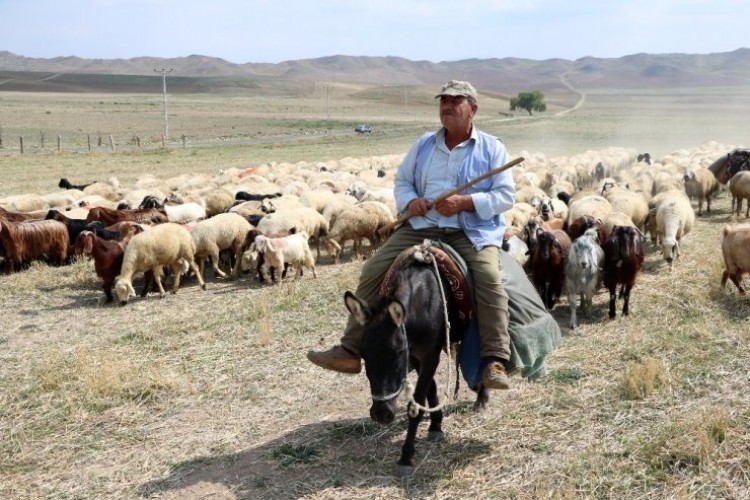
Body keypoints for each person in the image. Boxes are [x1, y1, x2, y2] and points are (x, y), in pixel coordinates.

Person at [307, 80, 516, 390]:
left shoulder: (492, 148)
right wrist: (410, 202)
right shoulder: (423, 145)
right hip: (421, 227)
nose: (446, 106)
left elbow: (505, 196)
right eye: (443, 101)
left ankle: (495, 359)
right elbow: (403, 182)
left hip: (468, 231)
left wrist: (465, 202)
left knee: (488, 277)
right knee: (372, 270)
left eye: (455, 101)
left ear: (473, 109)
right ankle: (350, 348)